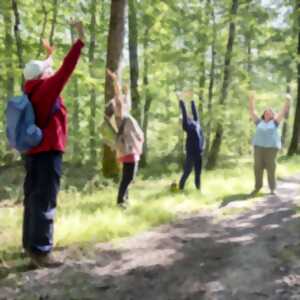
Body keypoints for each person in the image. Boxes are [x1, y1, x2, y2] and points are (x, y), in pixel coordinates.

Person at [22, 21, 85, 268]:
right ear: (42, 76)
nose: (50, 71)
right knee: (46, 199)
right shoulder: (47, 88)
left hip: (33, 154)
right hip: (48, 152)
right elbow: (66, 68)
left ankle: (30, 246)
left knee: (32, 199)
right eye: (47, 70)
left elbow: (44, 69)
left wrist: (49, 56)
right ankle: (42, 251)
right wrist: (79, 40)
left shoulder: (30, 88)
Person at [106, 69, 144, 208]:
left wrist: (126, 90)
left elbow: (125, 100)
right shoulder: (120, 115)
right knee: (128, 177)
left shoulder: (125, 114)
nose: (122, 101)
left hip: (131, 148)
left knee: (129, 177)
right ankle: (120, 202)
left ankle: (124, 200)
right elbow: (118, 98)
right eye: (119, 102)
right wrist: (115, 81)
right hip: (128, 149)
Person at [248, 91, 291, 195]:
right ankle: (257, 187)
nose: (267, 113)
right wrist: (251, 99)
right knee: (257, 167)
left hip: (271, 149)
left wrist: (287, 100)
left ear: (272, 115)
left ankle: (272, 189)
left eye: (269, 112)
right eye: (266, 112)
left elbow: (283, 111)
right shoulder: (259, 122)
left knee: (271, 168)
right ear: (264, 114)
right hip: (258, 148)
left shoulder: (275, 123)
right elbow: (252, 111)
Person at [178, 92, 204, 191]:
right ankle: (181, 188)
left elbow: (195, 112)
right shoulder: (186, 126)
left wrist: (192, 100)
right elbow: (184, 113)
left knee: (198, 173)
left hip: (199, 153)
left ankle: (198, 189)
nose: (188, 116)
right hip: (191, 153)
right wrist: (181, 100)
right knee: (187, 171)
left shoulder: (196, 122)